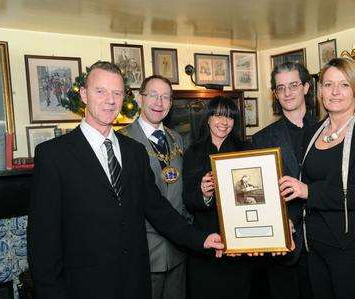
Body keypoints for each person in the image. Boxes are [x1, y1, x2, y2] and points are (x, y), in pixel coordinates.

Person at [27, 61, 224, 299]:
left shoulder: (134, 152)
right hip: (85, 287)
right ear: (84, 95)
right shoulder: (53, 155)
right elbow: (44, 241)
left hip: (136, 282)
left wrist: (200, 239)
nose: (110, 100)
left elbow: (158, 209)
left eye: (117, 93)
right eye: (101, 91)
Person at [279, 57, 355, 298]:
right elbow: (301, 188)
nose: (335, 92)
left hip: (353, 249)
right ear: (320, 91)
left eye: (344, 85)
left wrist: (309, 191)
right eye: (328, 85)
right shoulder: (313, 131)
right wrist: (287, 222)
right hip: (315, 247)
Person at [119, 75, 188, 299]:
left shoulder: (177, 139)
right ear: (140, 99)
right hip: (143, 253)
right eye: (153, 95)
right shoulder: (122, 141)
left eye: (166, 97)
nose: (159, 102)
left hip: (178, 250)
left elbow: (181, 188)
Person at [251, 61, 316, 299]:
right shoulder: (262, 139)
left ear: (306, 87)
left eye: (293, 85)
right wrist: (280, 221)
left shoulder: (328, 129)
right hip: (283, 247)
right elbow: (259, 196)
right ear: (275, 94)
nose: (287, 93)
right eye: (281, 88)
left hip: (324, 244)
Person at [182, 96, 251, 299]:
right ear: (208, 118)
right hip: (205, 244)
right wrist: (204, 193)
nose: (224, 122)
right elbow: (187, 198)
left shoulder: (245, 149)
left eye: (229, 117)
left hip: (240, 244)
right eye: (218, 115)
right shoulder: (192, 153)